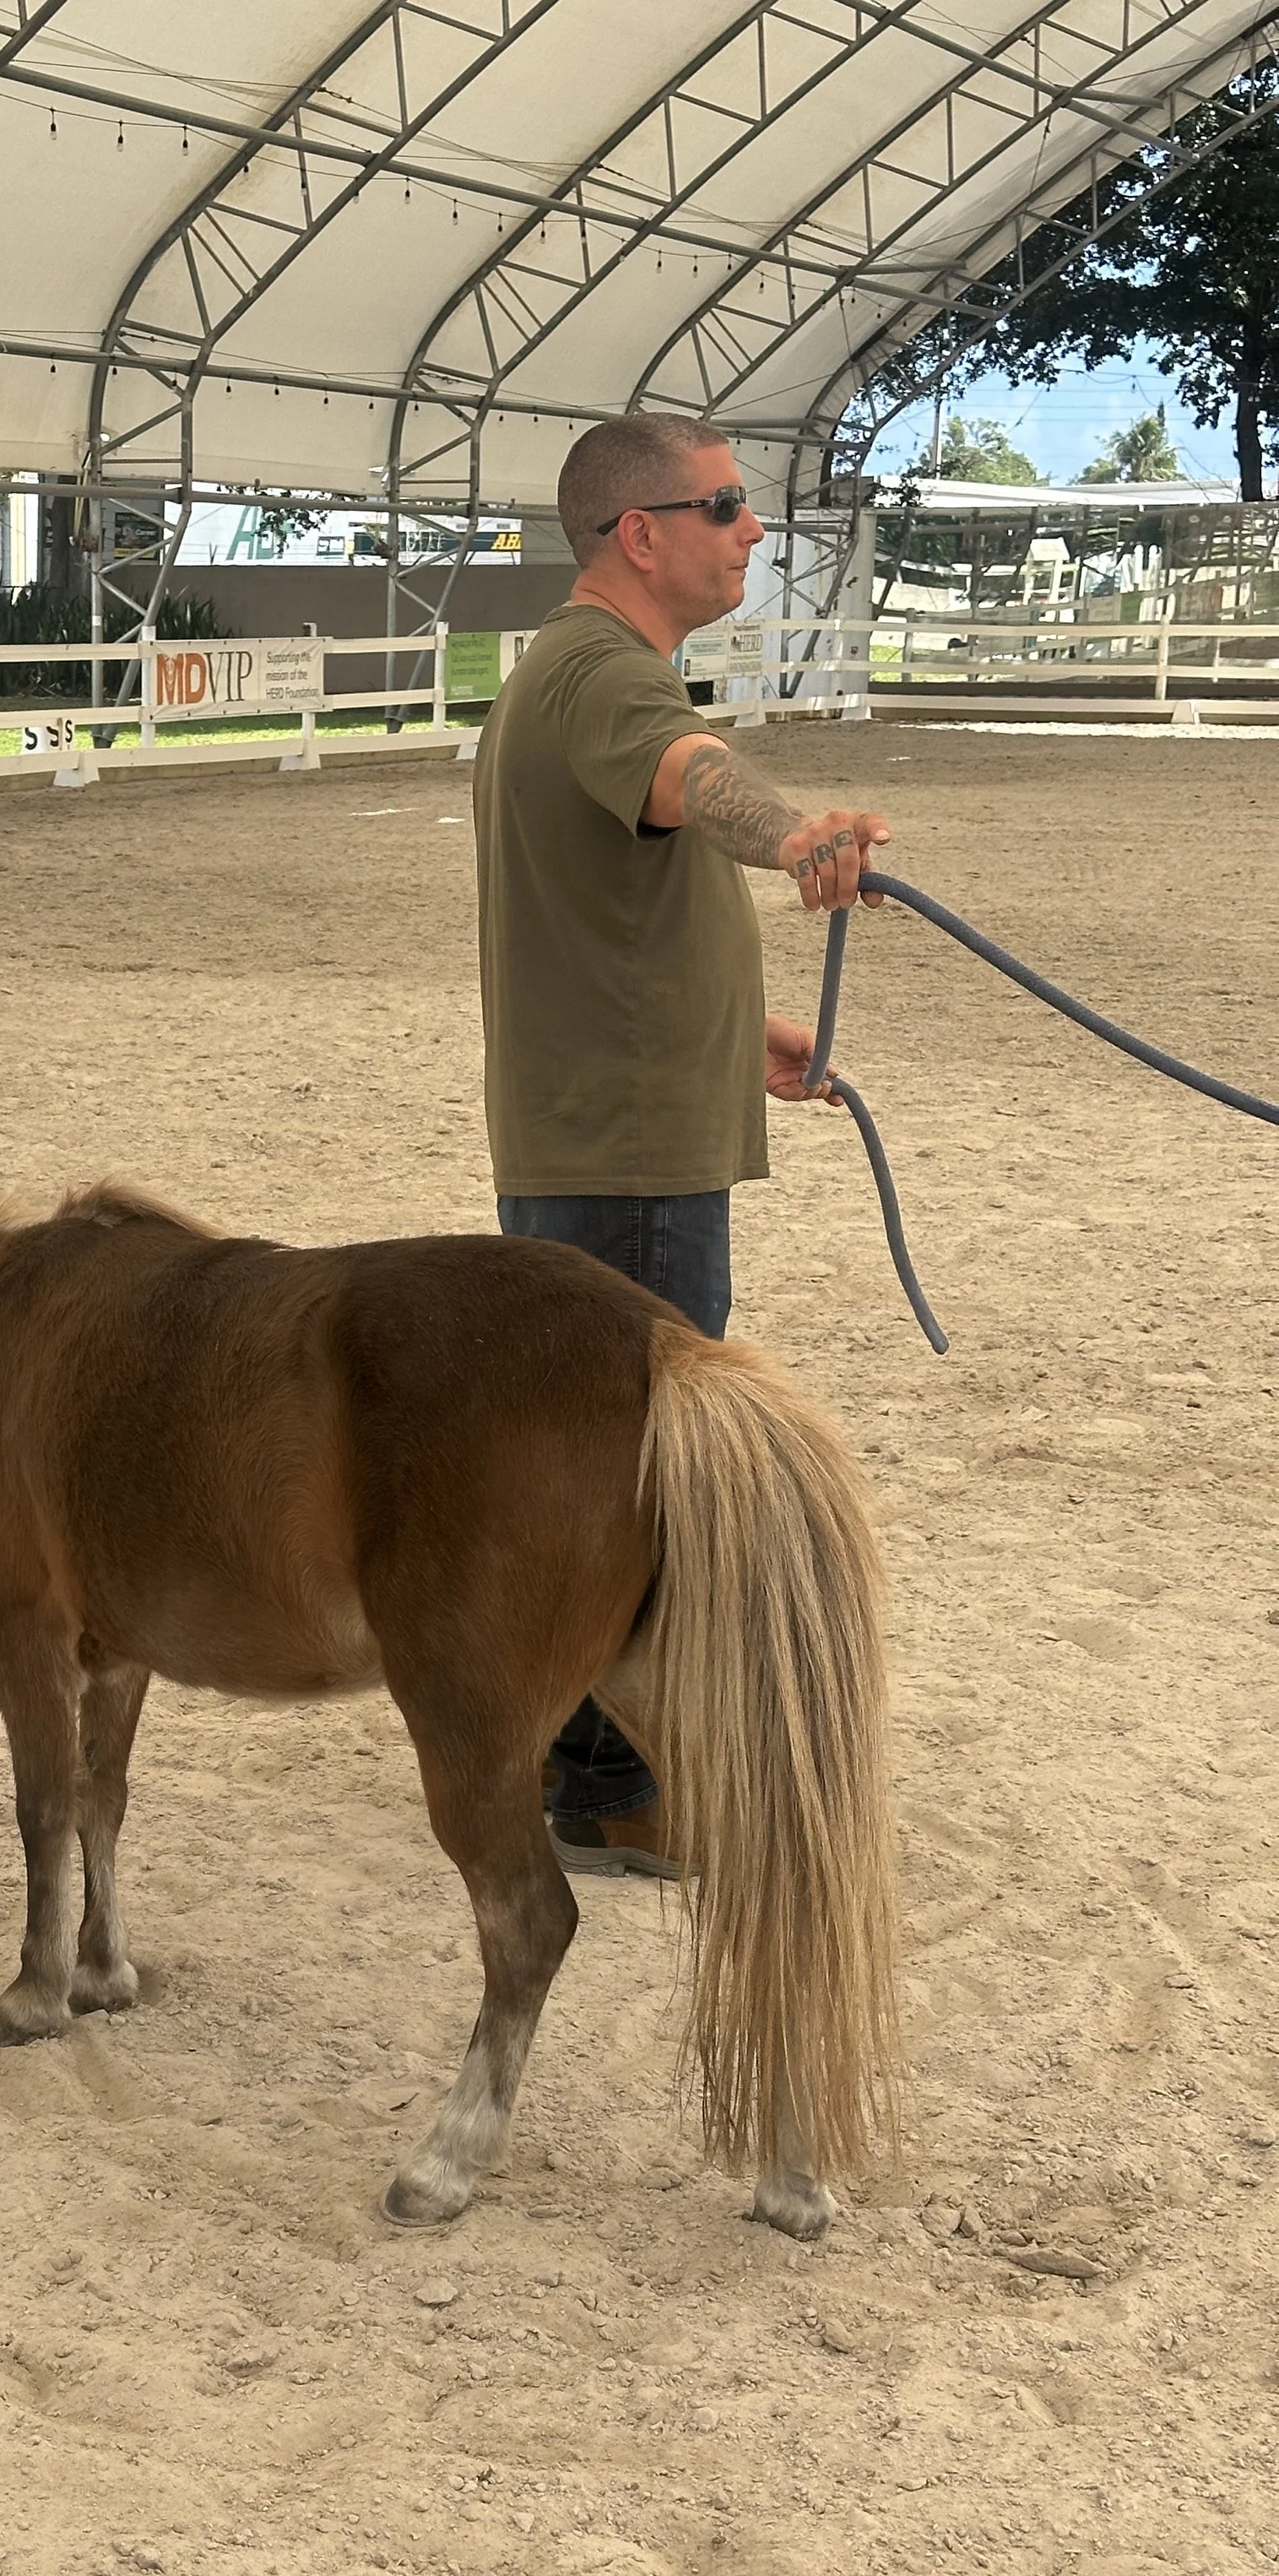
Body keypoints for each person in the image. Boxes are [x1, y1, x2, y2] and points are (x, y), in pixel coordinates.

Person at [472, 410, 893, 1880]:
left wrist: (737, 1034)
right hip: (629, 1163)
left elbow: (630, 855)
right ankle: (615, 1787)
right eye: (726, 506)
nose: (755, 530)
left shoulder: (570, 672)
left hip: (610, 1129)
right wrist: (791, 833)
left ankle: (575, 1762)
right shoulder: (603, 675)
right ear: (638, 535)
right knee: (641, 1479)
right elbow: (690, 777)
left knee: (587, 1457)